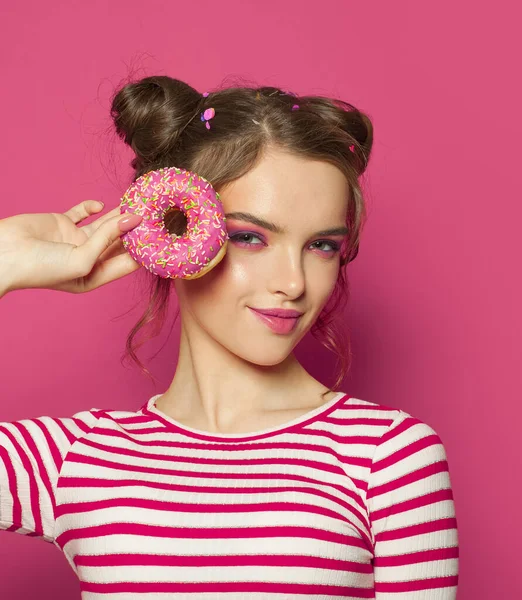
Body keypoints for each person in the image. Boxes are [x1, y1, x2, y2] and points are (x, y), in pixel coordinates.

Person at [0, 75, 459, 598]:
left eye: (323, 246)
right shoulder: (76, 457)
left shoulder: (389, 457)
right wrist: (4, 261)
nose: (294, 282)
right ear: (172, 232)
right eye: (250, 237)